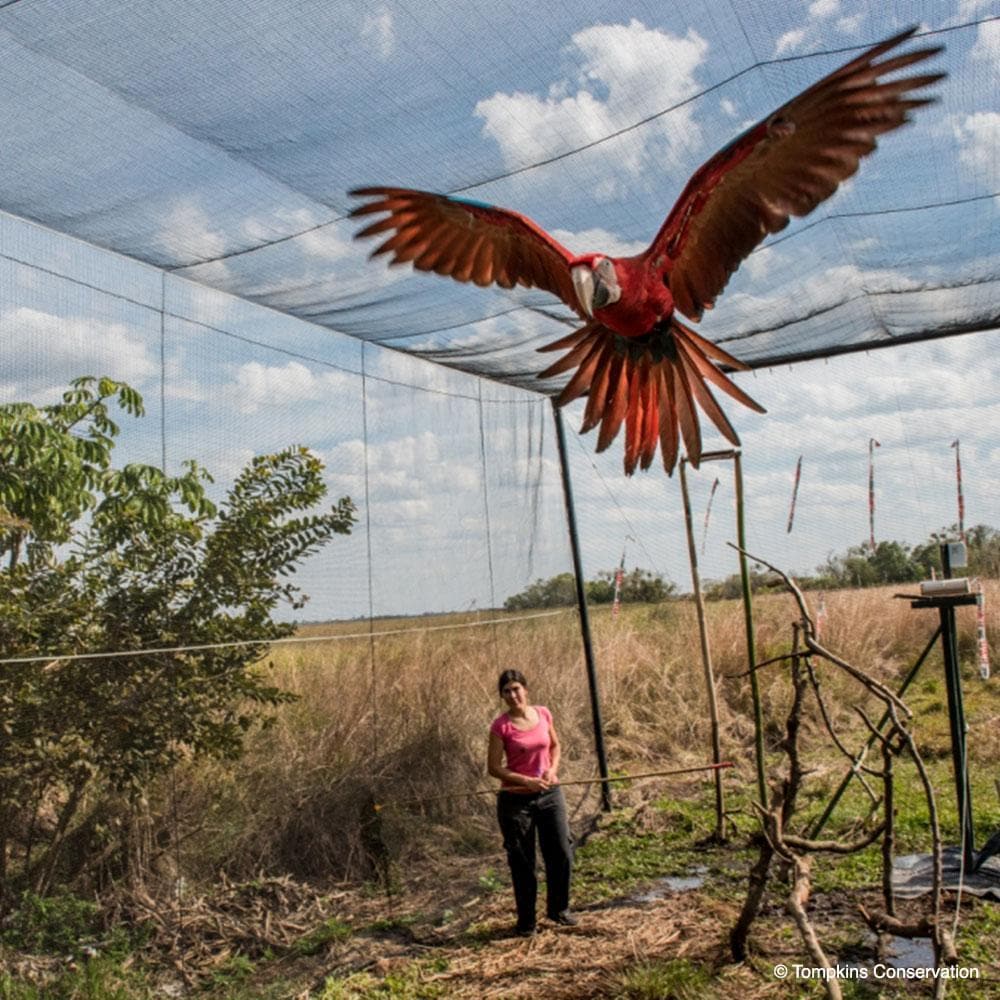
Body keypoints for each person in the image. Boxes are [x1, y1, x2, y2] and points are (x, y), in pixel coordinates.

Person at [487, 668, 577, 936]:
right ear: (502, 696)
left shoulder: (544, 713)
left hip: (550, 794)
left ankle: (558, 910)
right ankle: (527, 922)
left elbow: (554, 746)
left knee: (561, 851)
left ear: (526, 689)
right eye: (506, 691)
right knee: (523, 861)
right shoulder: (501, 727)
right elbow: (493, 768)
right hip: (516, 801)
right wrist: (525, 781)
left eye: (516, 689)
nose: (513, 695)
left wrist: (552, 770)